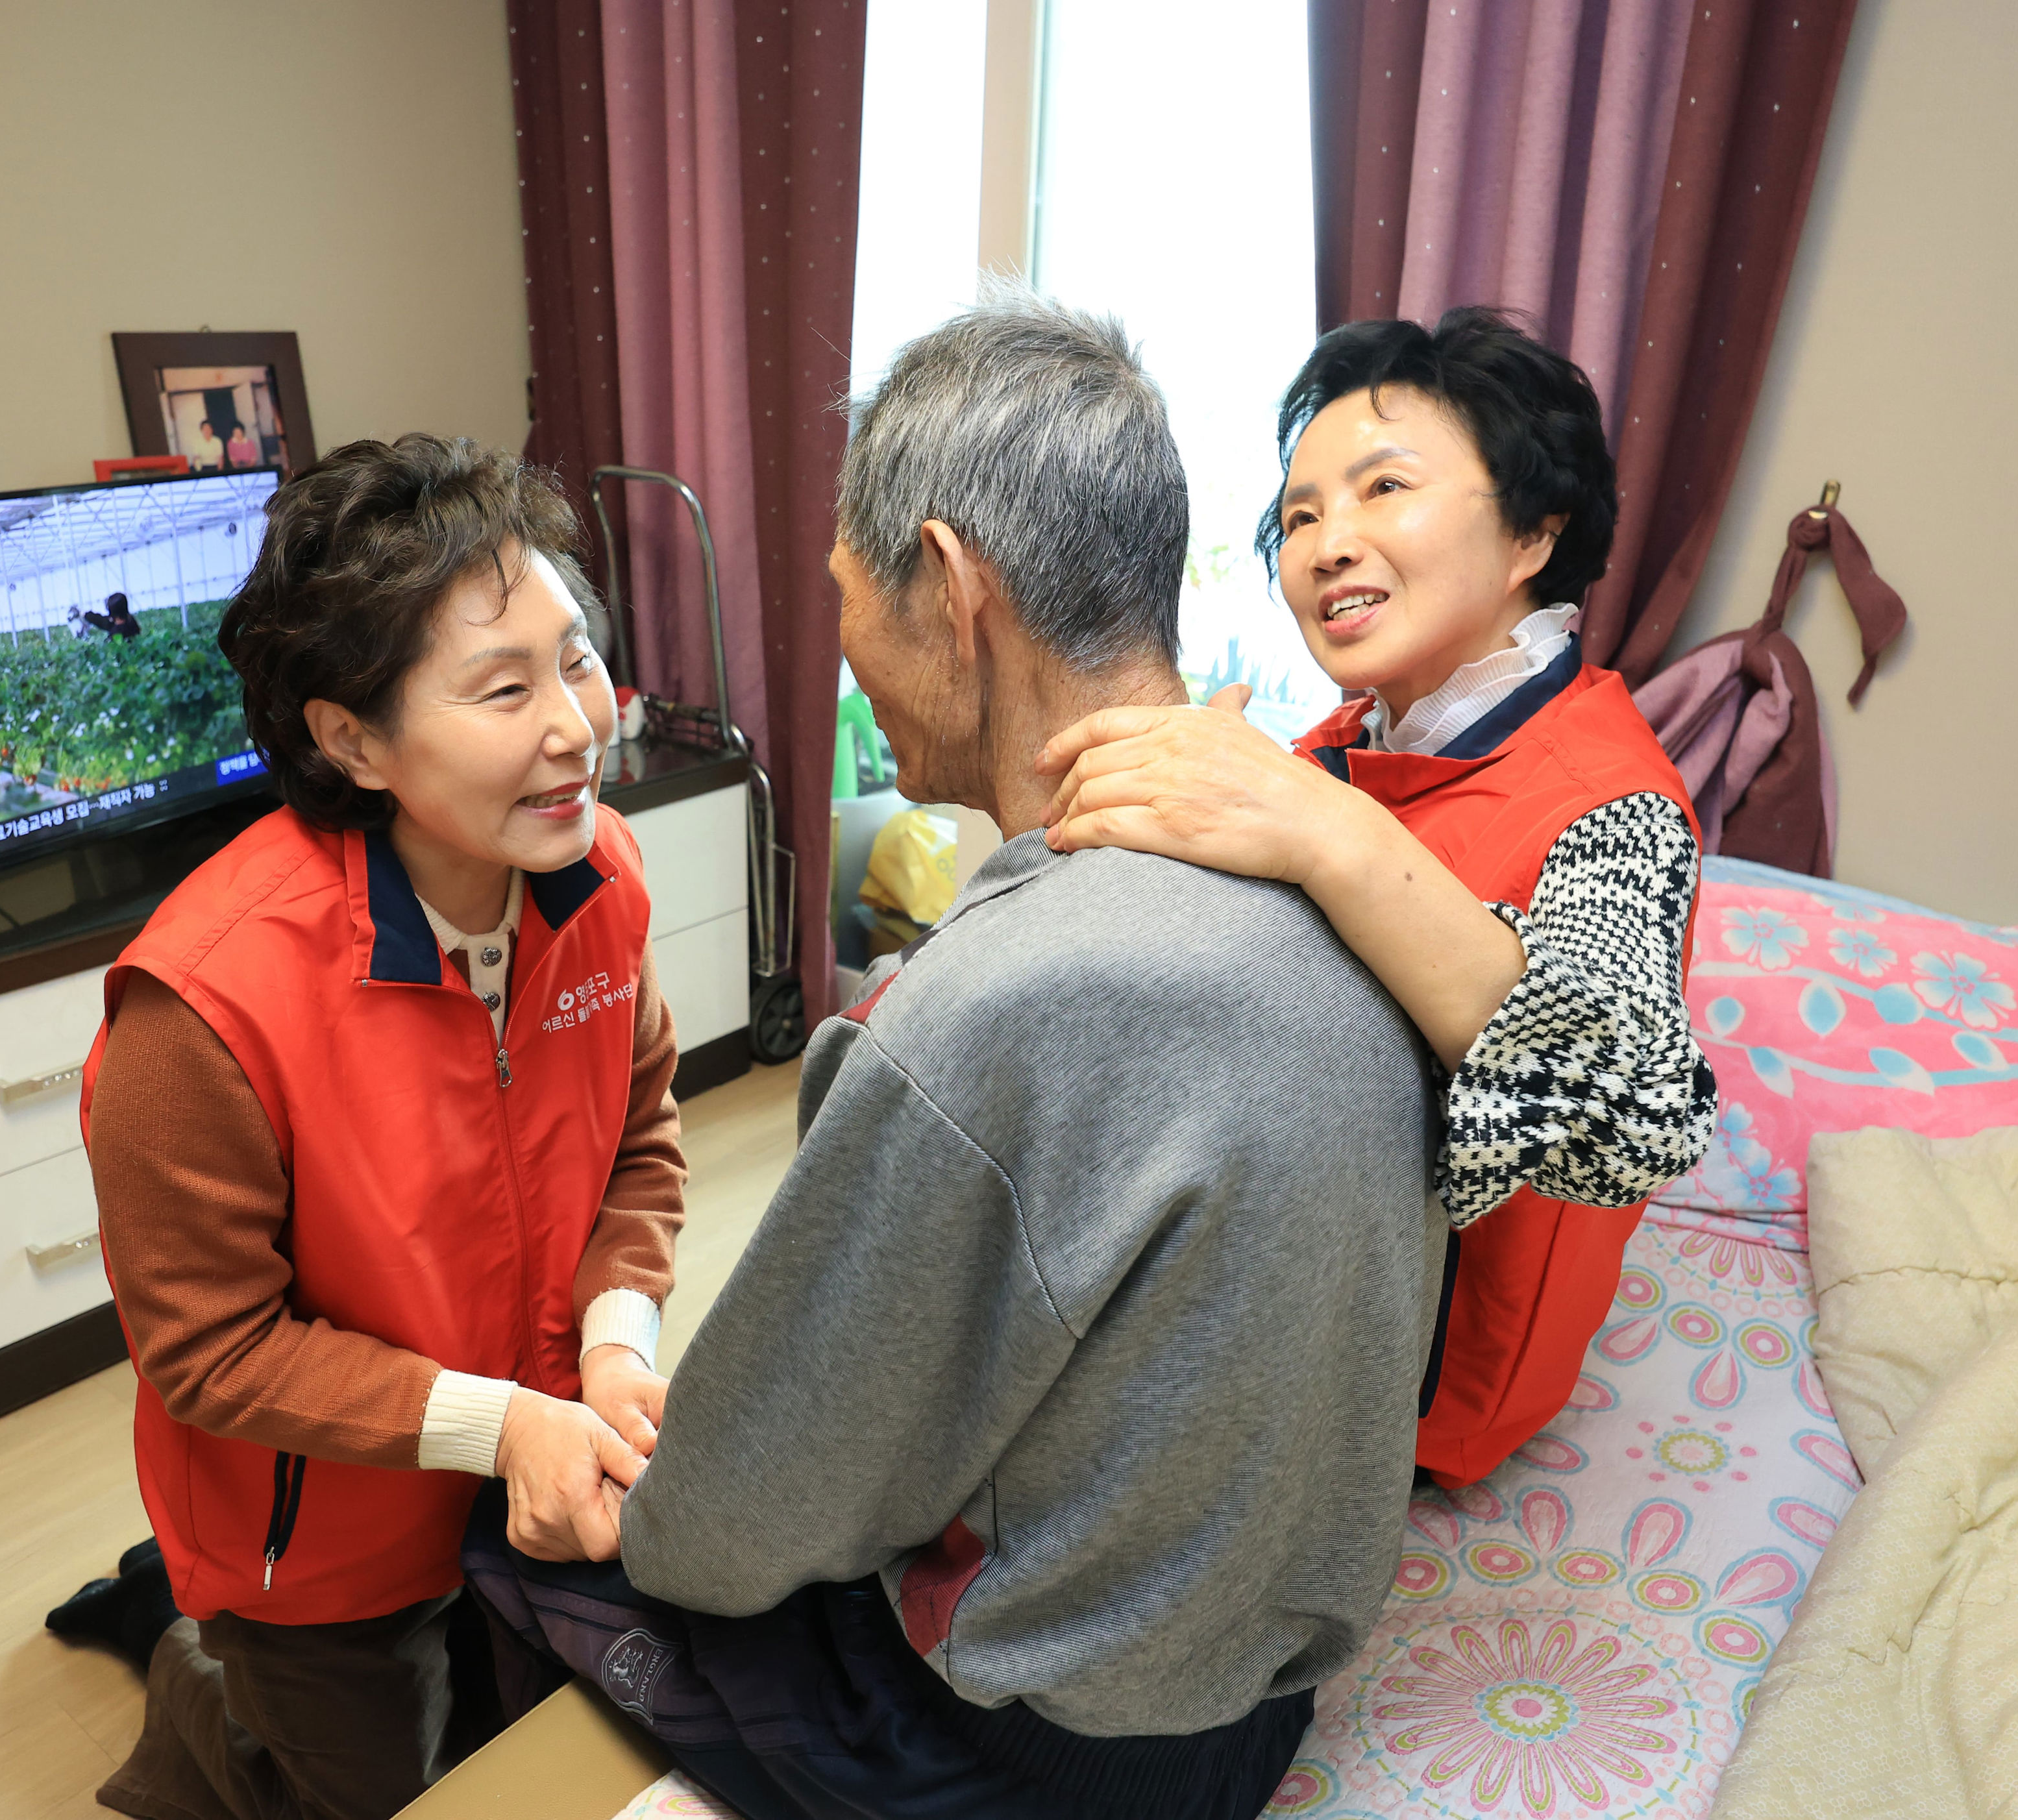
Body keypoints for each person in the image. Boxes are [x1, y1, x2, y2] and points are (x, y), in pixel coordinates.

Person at [464, 294, 1438, 1820]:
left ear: (949, 583)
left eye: (850, 599)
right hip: (1262, 1698)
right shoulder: (1358, 882)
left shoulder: (979, 1017)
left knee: (516, 1539)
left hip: (1052, 1752)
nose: (846, 661)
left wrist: (629, 1489)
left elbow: (741, 1520)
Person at [51, 434, 689, 1820]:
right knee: (357, 1792)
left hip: (532, 1445)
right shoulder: (201, 1011)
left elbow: (640, 1134)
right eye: (504, 688)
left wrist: (615, 1342)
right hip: (320, 1541)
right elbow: (212, 1349)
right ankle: (190, 1685)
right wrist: (499, 1423)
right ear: (350, 736)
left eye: (575, 659)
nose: (578, 725)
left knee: (524, 1753)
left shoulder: (601, 880)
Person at [1035, 309, 1719, 1486]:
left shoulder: (1616, 803)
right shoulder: (1346, 741)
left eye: (1381, 488)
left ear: (1531, 532)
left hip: (1414, 1382)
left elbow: (1626, 1124)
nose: (1324, 544)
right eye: (1299, 516)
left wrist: (1325, 836)